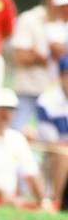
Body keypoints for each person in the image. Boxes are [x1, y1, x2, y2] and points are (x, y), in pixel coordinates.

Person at [10, 0, 66, 132]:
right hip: (28, 92)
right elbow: (20, 57)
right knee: (18, 135)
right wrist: (46, 55)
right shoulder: (30, 19)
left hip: (58, 96)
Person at [36, 55, 68, 206]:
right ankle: (56, 202)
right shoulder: (47, 100)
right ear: (62, 76)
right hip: (53, 157)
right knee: (63, 153)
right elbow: (52, 142)